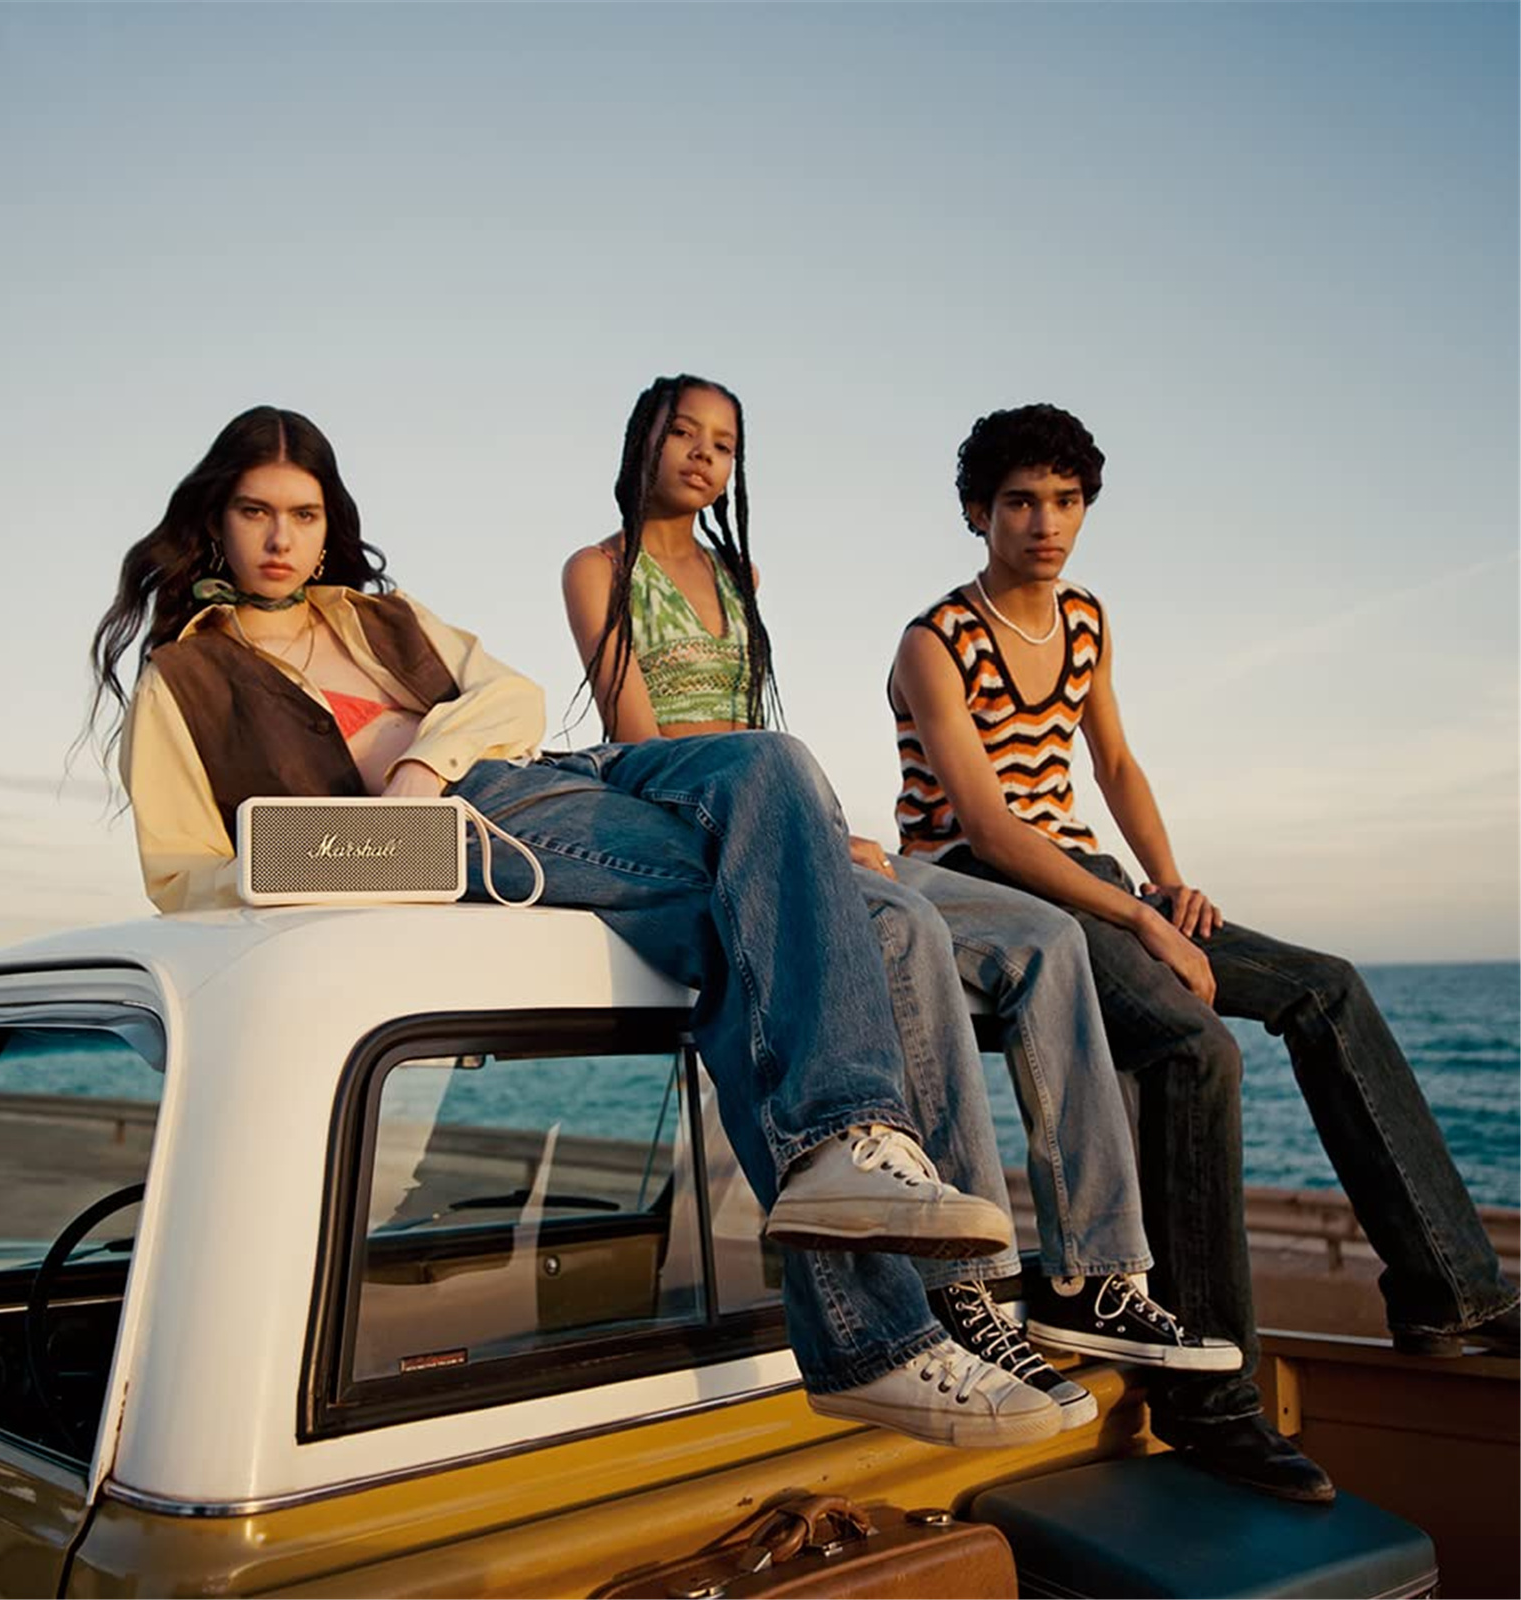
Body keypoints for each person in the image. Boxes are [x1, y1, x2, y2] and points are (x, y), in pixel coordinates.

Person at [87, 405, 1077, 1451]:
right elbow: (183, 875)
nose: (281, 538)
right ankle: (879, 1327)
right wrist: (328, 859)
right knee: (838, 918)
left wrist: (421, 761)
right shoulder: (182, 678)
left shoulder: (382, 618)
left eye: (304, 514)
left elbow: (508, 696)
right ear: (218, 518)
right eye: (256, 512)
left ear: (330, 524)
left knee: (771, 762)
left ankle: (864, 1170)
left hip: (547, 776)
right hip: (445, 843)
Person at [560, 374, 1237, 1438]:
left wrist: (820, 822)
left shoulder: (740, 575)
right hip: (687, 805)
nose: (702, 455)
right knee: (911, 927)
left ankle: (1095, 1273)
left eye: (723, 443)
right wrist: (794, 822)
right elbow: (643, 737)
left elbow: (755, 717)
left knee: (1049, 937)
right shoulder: (598, 568)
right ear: (640, 442)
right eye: (681, 433)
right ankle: (966, 1290)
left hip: (786, 802)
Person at [888, 400, 1520, 1500]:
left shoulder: (1085, 619)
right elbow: (984, 826)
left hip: (1096, 876)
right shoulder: (935, 640)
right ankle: (1212, 1401)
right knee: (1192, 1047)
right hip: (992, 886)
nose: (1046, 523)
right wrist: (1138, 920)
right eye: (1021, 502)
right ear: (978, 513)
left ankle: (1451, 1295)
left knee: (1325, 988)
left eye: (1066, 501)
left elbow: (1116, 764)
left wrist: (1167, 883)